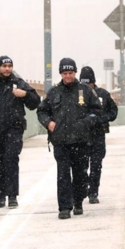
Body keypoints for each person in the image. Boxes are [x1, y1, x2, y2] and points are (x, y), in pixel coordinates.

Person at [37, 58, 102, 219]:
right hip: (61, 141)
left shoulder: (85, 90)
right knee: (63, 174)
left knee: (80, 174)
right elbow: (42, 111)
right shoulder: (53, 92)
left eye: (70, 73)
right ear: (61, 73)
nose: (68, 76)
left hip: (81, 140)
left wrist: (86, 122)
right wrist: (48, 123)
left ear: (75, 73)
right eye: (65, 73)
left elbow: (97, 111)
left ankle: (78, 200)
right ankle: (64, 207)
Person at [0, 56, 40, 209]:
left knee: (11, 160)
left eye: (10, 66)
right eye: (4, 66)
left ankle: (12, 196)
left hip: (13, 129)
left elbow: (35, 102)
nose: (7, 69)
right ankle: (0, 195)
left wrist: (25, 95)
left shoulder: (18, 83)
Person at [79, 66, 118, 204]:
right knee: (81, 165)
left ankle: (93, 192)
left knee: (96, 164)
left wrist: (102, 119)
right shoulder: (77, 94)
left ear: (93, 82)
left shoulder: (103, 94)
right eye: (83, 83)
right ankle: (83, 189)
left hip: (98, 135)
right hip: (81, 136)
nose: (86, 87)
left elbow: (114, 112)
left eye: (88, 83)